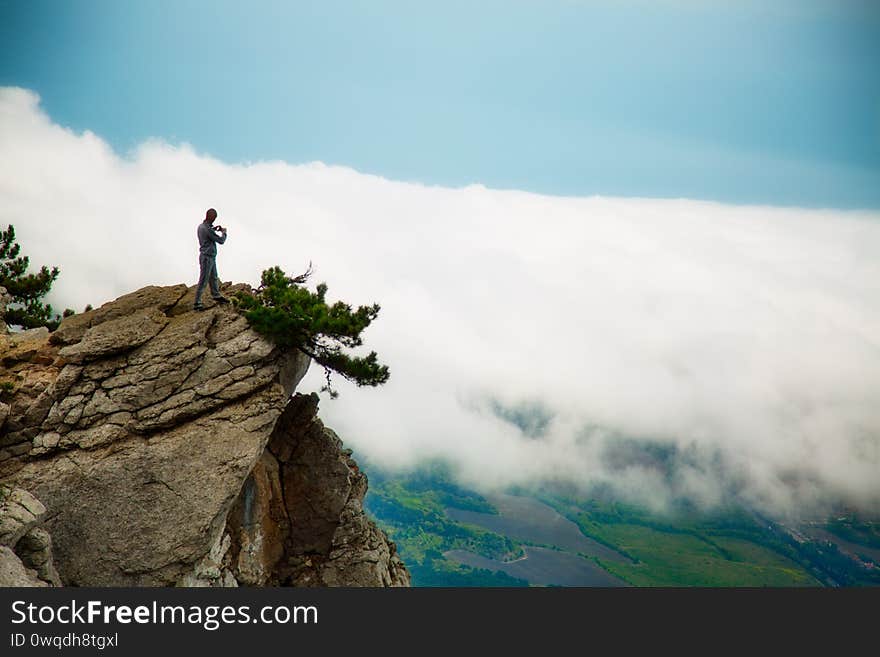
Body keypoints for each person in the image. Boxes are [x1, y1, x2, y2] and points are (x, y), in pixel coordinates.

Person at [193, 208, 230, 310]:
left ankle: (216, 295)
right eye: (214, 218)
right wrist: (224, 233)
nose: (214, 220)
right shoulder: (207, 229)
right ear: (211, 217)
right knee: (204, 279)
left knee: (214, 277)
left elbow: (208, 232)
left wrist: (214, 229)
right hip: (207, 257)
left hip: (209, 256)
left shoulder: (202, 226)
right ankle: (197, 303)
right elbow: (221, 240)